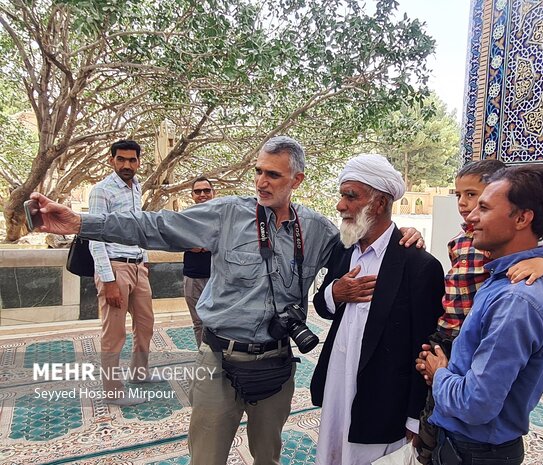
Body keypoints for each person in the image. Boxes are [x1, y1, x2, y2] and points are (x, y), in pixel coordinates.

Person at [30, 136, 421, 465]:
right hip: (219, 363)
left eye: (273, 174)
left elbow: (364, 245)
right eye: (258, 171)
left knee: (267, 457)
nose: (262, 182)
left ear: (296, 179)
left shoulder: (316, 230)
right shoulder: (227, 214)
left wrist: (406, 238)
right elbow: (155, 226)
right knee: (207, 457)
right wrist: (81, 223)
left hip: (276, 367)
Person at [416, 159, 543, 464]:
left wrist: (439, 374)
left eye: (484, 207)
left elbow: (475, 404)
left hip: (473, 450)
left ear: (522, 218)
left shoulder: (518, 299)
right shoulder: (503, 279)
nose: (470, 215)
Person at [310, 154, 445, 465]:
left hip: (382, 399)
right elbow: (322, 305)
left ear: (380, 202)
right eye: (341, 195)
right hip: (337, 388)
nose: (341, 205)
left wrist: (414, 418)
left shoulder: (418, 265)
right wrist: (336, 292)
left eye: (351, 196)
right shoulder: (344, 248)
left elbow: (423, 346)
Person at [89, 139, 157, 406]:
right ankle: (113, 391)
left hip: (137, 266)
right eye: (121, 159)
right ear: (112, 160)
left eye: (132, 160)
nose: (127, 165)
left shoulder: (136, 187)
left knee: (146, 324)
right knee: (114, 333)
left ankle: (139, 373)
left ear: (139, 162)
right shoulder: (101, 191)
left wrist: (145, 259)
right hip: (114, 268)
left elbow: (138, 226)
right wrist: (108, 281)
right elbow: (94, 238)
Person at [183, 176, 215, 347]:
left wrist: (202, 244)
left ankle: (221, 361)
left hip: (217, 277)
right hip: (193, 277)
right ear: (192, 195)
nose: (202, 194)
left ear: (213, 193)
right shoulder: (186, 217)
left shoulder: (221, 215)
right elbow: (178, 240)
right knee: (199, 323)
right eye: (198, 191)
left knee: (219, 322)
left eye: (206, 190)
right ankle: (205, 358)